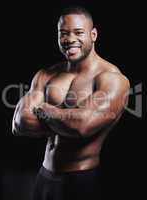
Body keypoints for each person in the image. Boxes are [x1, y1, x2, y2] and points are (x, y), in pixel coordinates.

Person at [12, 6, 130, 200]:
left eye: (78, 32)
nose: (70, 39)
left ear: (93, 34)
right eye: (64, 33)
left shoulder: (112, 79)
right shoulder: (46, 74)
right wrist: (67, 119)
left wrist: (43, 108)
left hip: (81, 181)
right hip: (44, 177)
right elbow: (19, 123)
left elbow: (82, 126)